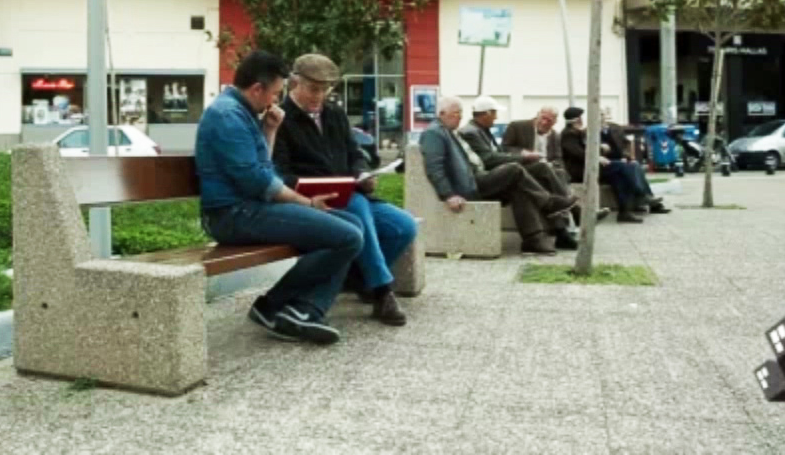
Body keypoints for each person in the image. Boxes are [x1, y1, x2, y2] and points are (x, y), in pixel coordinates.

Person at [195, 50, 364, 345]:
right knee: (347, 236)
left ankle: (303, 311)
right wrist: (307, 203)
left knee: (352, 224)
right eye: (274, 93)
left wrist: (270, 130)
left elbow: (263, 167)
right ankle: (273, 306)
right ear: (256, 89)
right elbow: (257, 181)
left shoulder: (243, 113)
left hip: (250, 209)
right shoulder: (228, 116)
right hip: (231, 215)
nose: (275, 100)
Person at [273, 54, 416, 327]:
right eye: (313, 89)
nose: (319, 96)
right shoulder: (280, 119)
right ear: (294, 83)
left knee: (403, 225)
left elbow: (355, 153)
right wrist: (313, 189)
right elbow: (279, 173)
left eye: (325, 89)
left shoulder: (335, 114)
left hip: (350, 193)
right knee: (358, 207)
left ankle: (357, 279)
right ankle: (382, 290)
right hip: (310, 201)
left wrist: (362, 174)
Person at [420, 96, 574, 255]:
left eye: (460, 113)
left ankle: (533, 239)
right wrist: (449, 195)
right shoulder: (434, 133)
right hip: (471, 183)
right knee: (514, 169)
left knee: (519, 186)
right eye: (456, 113)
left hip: (477, 176)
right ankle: (549, 202)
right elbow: (434, 167)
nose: (460, 117)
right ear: (442, 113)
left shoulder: (448, 132)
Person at [459, 96, 580, 249]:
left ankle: (550, 233)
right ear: (486, 114)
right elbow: (489, 159)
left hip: (494, 174)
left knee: (541, 168)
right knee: (517, 173)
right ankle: (554, 209)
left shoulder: (482, 130)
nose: (496, 118)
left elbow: (499, 153)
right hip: (485, 179)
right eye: (494, 113)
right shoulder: (470, 132)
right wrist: (523, 156)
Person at [560, 106, 649, 223]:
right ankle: (641, 193)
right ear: (575, 120)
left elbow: (588, 149)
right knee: (623, 166)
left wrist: (600, 149)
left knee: (618, 177)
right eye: (580, 118)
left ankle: (625, 212)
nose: (582, 120)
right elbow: (578, 153)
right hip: (580, 171)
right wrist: (597, 157)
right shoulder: (568, 134)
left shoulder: (577, 132)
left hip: (589, 167)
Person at [599, 109, 670, 214]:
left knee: (635, 165)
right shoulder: (588, 132)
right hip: (606, 164)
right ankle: (644, 197)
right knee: (629, 169)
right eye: (598, 115)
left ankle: (650, 201)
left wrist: (626, 156)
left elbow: (626, 144)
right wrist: (600, 151)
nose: (600, 118)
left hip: (619, 161)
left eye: (602, 115)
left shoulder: (615, 128)